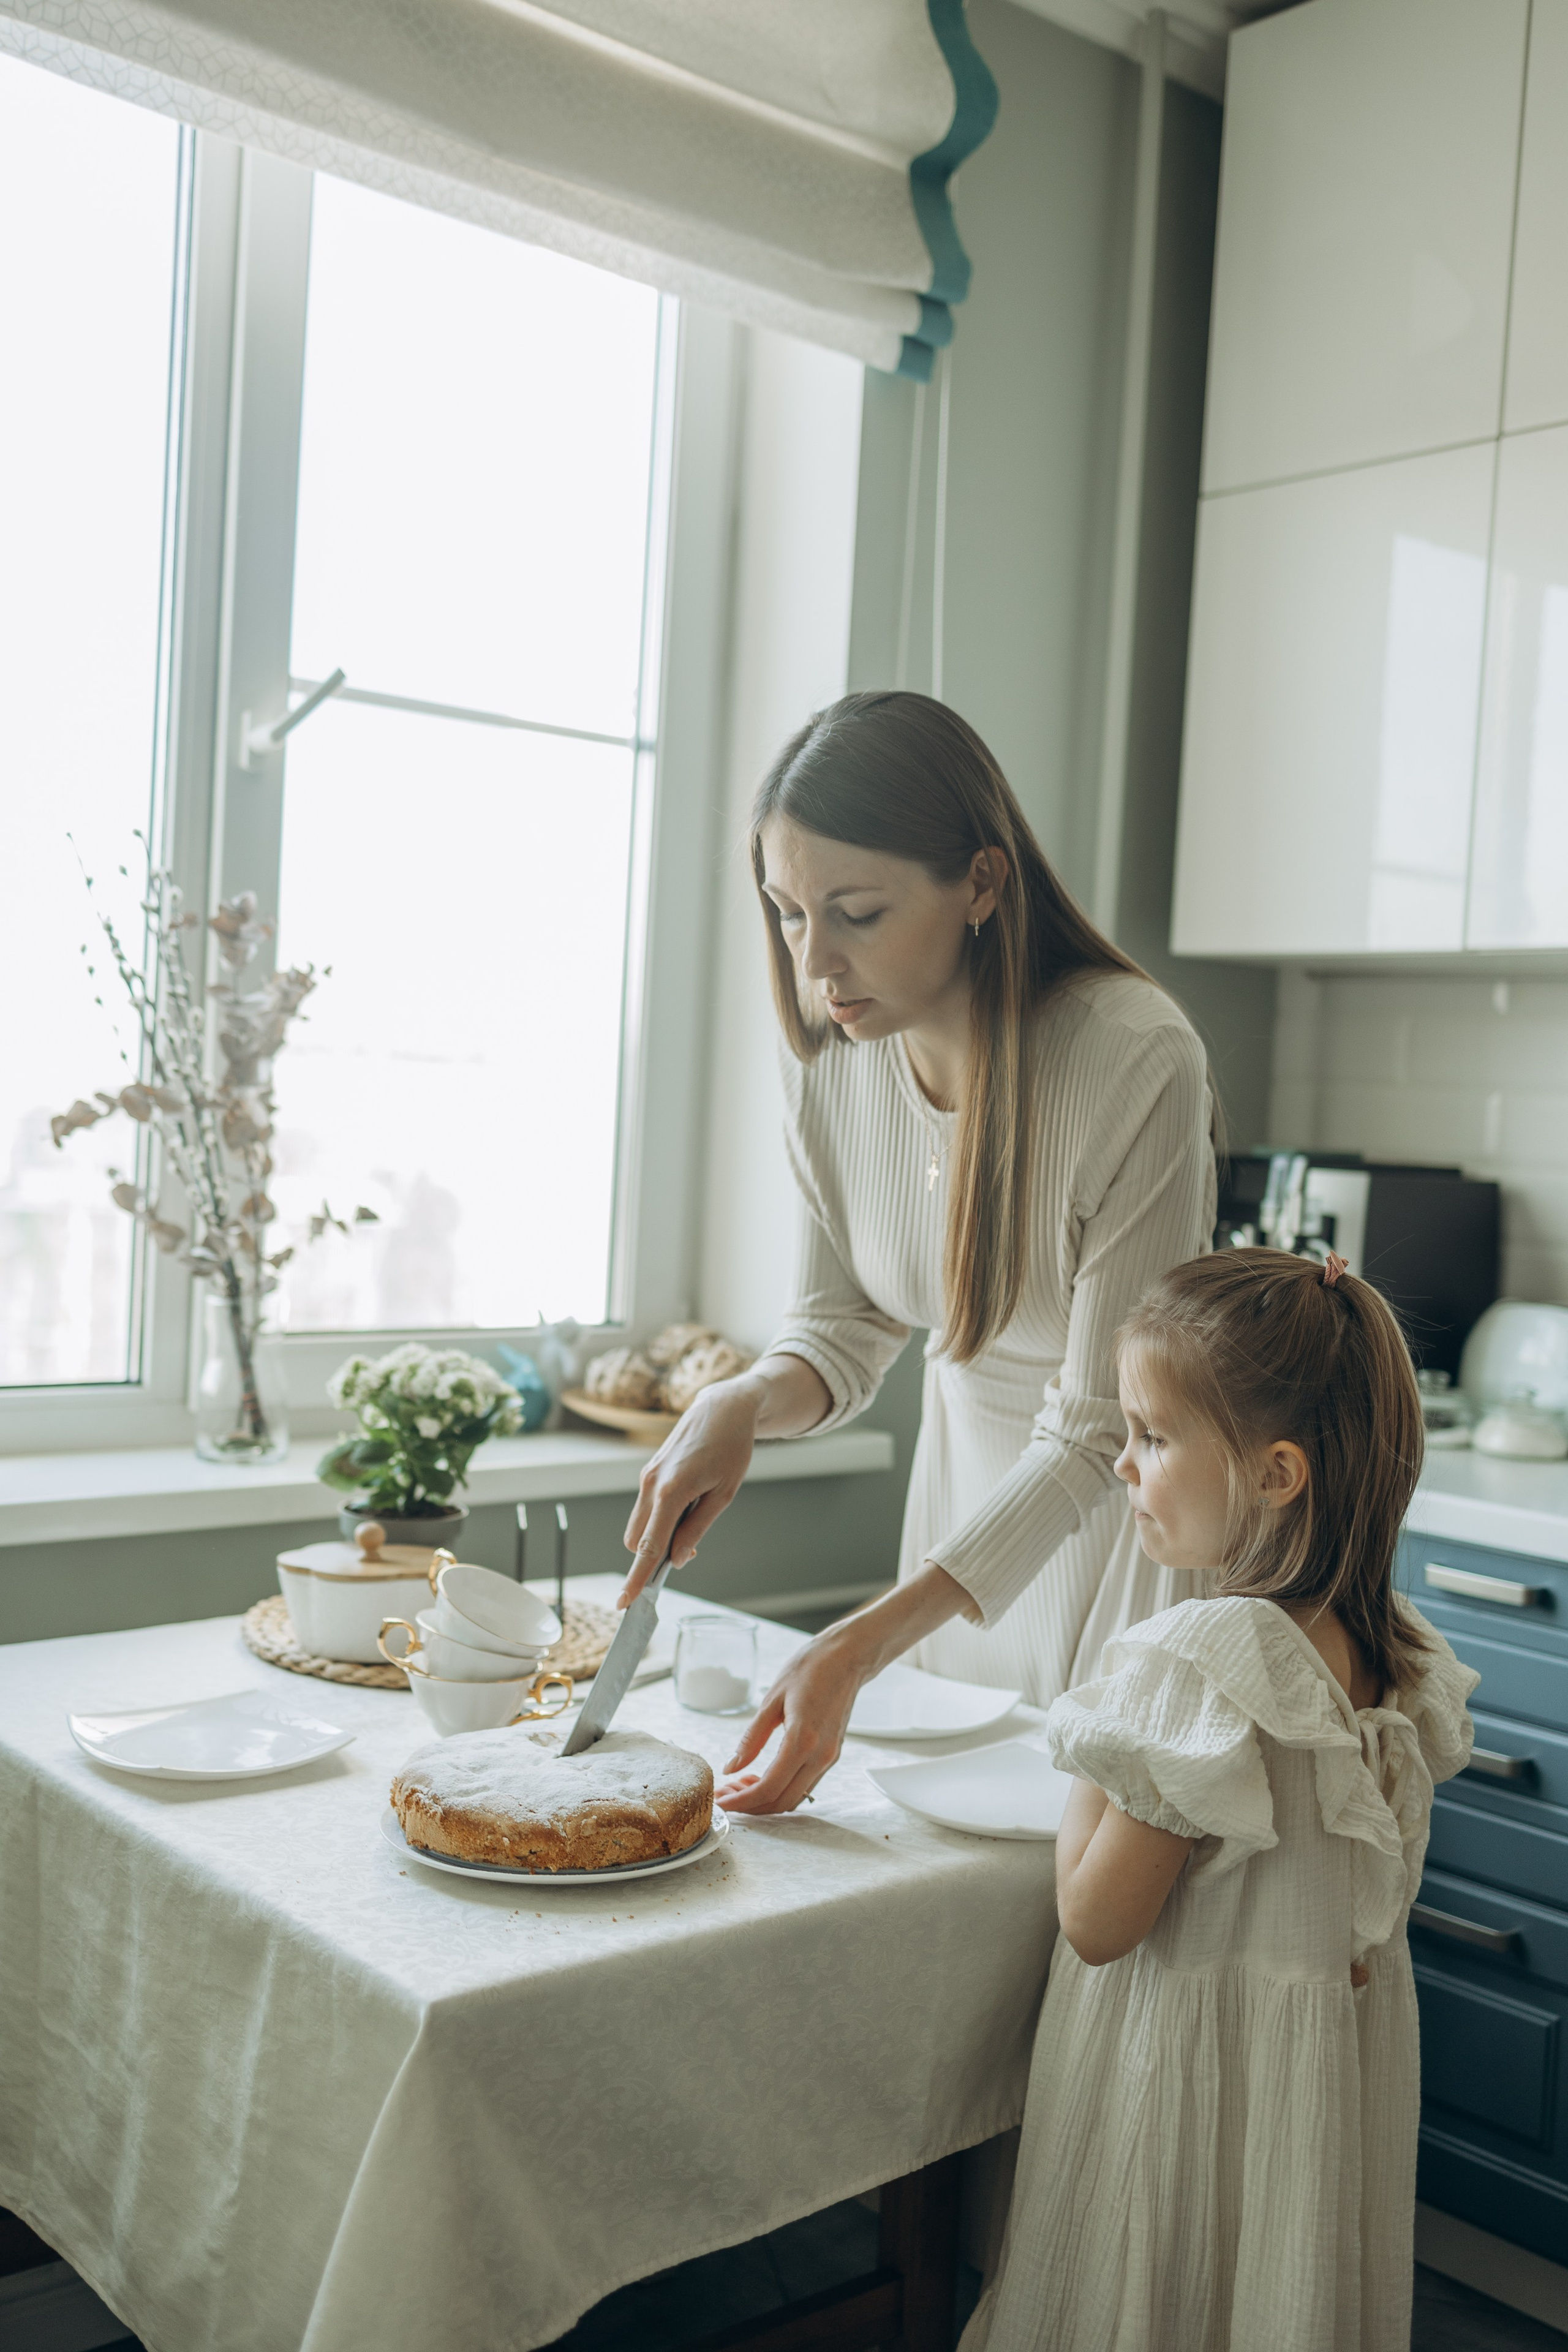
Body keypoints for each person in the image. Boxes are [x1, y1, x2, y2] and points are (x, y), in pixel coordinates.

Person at [622, 688, 1217, 1813]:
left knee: (1082, 1895)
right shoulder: (832, 1063)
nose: (816, 965)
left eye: (855, 912)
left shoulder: (1135, 1060)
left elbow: (1099, 1433)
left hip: (1120, 1543)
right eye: (790, 914)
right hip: (956, 1544)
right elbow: (844, 1331)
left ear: (982, 884)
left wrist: (856, 1644)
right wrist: (745, 1400)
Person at [962, 1249, 1477, 2352]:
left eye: (1152, 1436)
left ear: (1275, 1473)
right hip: (1309, 2106)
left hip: (1180, 2096)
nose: (1122, 1465)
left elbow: (1100, 1925)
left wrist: (1097, 1766)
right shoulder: (1392, 1651)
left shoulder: (1203, 1660)